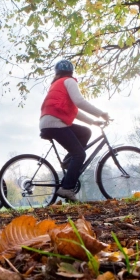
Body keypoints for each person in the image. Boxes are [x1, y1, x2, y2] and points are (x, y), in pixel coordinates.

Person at [40, 60, 110, 202]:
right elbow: (79, 101)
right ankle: (66, 188)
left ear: (57, 72)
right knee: (80, 154)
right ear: (71, 72)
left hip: (47, 122)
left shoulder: (56, 85)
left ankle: (68, 162)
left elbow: (74, 111)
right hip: (55, 123)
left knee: (85, 132)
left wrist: (92, 122)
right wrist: (101, 113)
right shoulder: (69, 81)